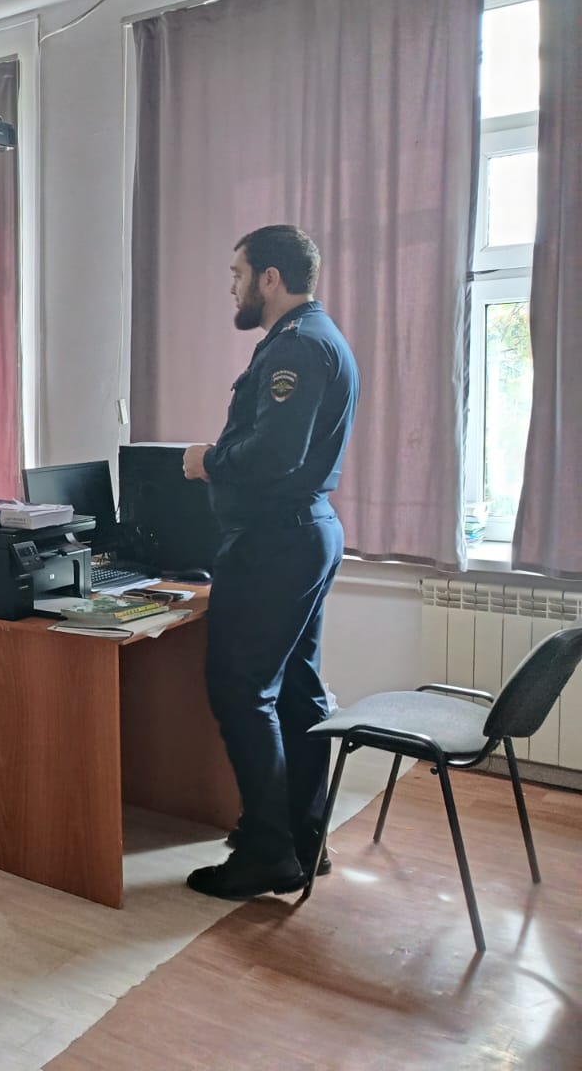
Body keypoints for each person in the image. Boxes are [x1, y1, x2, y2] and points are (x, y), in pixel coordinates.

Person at [181, 224, 359, 900]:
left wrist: (207, 461)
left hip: (275, 541)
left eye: (237, 274)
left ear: (270, 278)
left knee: (241, 689)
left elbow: (275, 455)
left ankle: (268, 851)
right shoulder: (315, 337)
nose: (232, 287)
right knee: (293, 689)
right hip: (298, 535)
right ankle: (303, 836)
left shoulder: (297, 347)